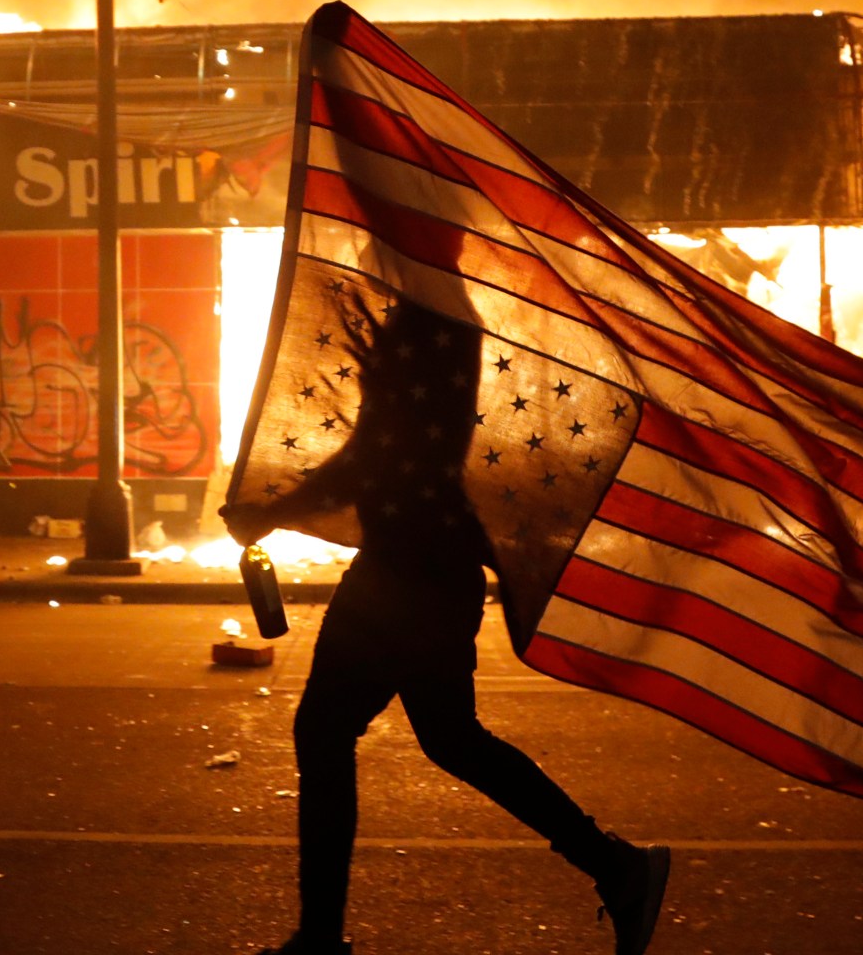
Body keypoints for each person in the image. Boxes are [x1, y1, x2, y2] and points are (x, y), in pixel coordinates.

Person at [222, 297, 671, 955]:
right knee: (452, 739)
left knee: (324, 731)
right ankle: (617, 868)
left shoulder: (429, 319)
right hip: (430, 568)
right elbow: (381, 450)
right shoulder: (436, 313)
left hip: (406, 573)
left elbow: (376, 453)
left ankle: (319, 940)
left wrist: (275, 511)